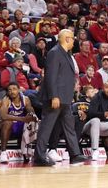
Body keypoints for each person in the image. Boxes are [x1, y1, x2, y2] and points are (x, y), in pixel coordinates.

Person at [33, 29, 89, 166]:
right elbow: (50, 77)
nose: (74, 40)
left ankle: (74, 154)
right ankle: (39, 156)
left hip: (65, 98)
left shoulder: (66, 54)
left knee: (69, 126)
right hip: (56, 97)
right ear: (67, 39)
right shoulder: (54, 53)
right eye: (73, 38)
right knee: (46, 127)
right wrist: (54, 96)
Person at [0, 83, 38, 161]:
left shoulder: (25, 99)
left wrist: (31, 114)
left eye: (14, 89)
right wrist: (23, 119)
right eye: (9, 90)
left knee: (33, 123)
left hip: (21, 127)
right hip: (9, 128)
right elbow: (3, 116)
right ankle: (3, 153)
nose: (12, 91)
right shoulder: (6, 100)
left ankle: (30, 152)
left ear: (19, 90)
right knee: (7, 122)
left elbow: (30, 110)